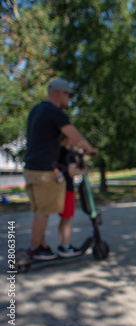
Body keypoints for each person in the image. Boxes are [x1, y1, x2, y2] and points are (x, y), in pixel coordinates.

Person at [23, 78, 98, 260]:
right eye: (68, 95)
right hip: (44, 170)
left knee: (41, 209)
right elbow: (74, 135)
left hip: (31, 168)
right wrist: (89, 149)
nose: (68, 100)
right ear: (60, 93)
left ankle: (42, 246)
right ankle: (35, 249)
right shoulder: (54, 111)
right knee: (44, 211)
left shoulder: (37, 110)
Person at [56, 142, 86, 257]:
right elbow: (71, 172)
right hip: (67, 189)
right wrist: (82, 172)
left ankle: (62, 244)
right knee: (68, 218)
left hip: (59, 189)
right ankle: (66, 247)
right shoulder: (70, 154)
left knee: (63, 218)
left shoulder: (59, 151)